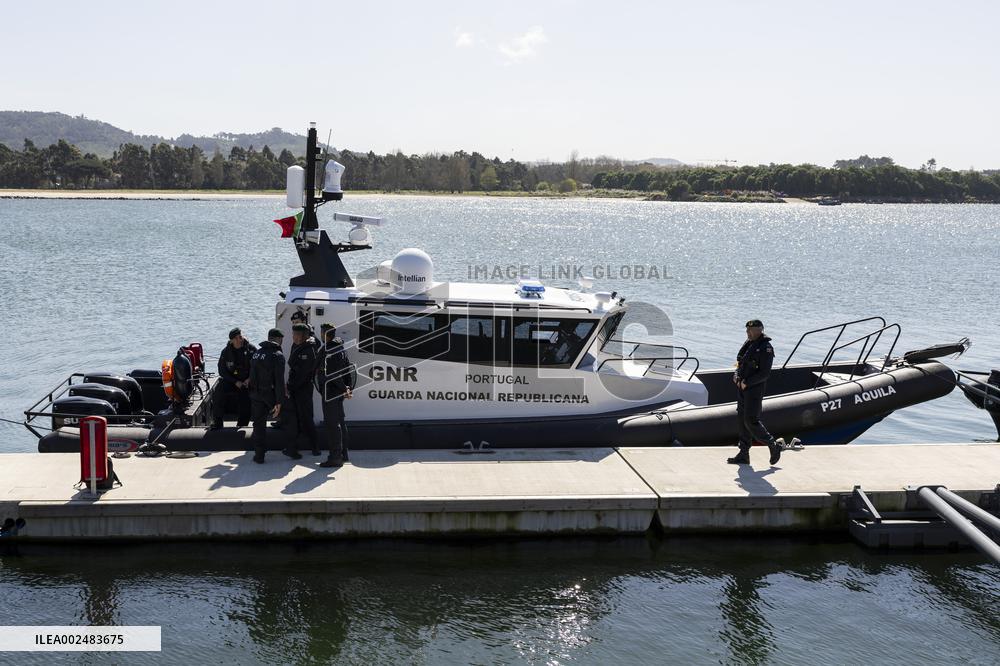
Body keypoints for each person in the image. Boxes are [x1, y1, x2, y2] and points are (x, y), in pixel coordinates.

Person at [728, 319, 782, 466]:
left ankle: (773, 445)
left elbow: (764, 373)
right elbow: (740, 362)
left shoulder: (766, 348)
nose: (748, 333)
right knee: (741, 421)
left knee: (751, 421)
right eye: (747, 330)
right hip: (742, 388)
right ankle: (744, 454)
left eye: (750, 330)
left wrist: (747, 383)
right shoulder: (749, 344)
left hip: (754, 390)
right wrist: (736, 375)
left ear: (760, 330)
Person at [318, 324, 355, 468]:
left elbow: (332, 375)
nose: (321, 335)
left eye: (321, 333)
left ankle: (335, 457)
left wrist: (344, 388)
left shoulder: (329, 350)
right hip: (337, 393)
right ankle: (343, 454)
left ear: (325, 334)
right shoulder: (341, 348)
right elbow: (348, 369)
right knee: (340, 423)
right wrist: (347, 388)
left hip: (330, 393)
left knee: (333, 425)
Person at [248, 328, 285, 464]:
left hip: (256, 394)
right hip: (270, 394)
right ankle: (292, 448)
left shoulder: (257, 353)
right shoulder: (277, 355)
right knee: (289, 416)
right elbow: (279, 381)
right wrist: (279, 401)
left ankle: (259, 455)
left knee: (258, 424)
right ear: (278, 339)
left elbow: (252, 376)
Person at [210, 327, 257, 430]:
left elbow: (257, 367)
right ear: (232, 341)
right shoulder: (226, 352)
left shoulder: (251, 349)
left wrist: (249, 379)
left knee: (246, 400)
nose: (240, 340)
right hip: (232, 381)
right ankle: (217, 422)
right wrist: (235, 381)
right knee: (218, 391)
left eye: (240, 337)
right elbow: (222, 371)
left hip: (247, 381)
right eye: (237, 338)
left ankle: (242, 424)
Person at [285, 322, 319, 459]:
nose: (293, 336)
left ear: (302, 336)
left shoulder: (309, 349)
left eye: (295, 334)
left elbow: (304, 373)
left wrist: (291, 387)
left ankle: (315, 447)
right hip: (294, 386)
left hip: (303, 388)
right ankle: (293, 447)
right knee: (295, 419)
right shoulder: (296, 346)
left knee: (306, 418)